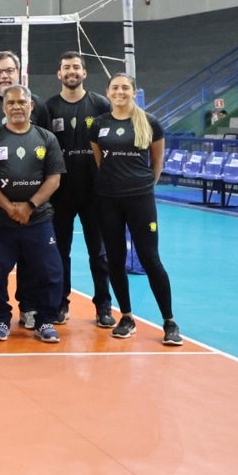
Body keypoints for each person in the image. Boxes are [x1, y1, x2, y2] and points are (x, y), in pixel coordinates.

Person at [90, 74, 182, 346]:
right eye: (115, 87)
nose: (120, 92)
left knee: (150, 258)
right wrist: (114, 185)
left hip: (140, 199)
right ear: (108, 92)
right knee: (115, 259)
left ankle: (170, 322)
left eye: (125, 87)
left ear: (133, 91)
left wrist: (140, 188)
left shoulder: (150, 122)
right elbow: (99, 161)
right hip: (107, 200)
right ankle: (126, 316)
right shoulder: (99, 125)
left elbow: (157, 163)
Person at [0, 85, 65, 344]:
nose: (16, 107)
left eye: (21, 102)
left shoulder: (46, 138)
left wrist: (29, 206)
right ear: (3, 107)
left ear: (31, 106)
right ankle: (0, 316)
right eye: (11, 103)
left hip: (38, 218)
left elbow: (54, 178)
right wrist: (9, 207)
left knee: (50, 270)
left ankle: (45, 319)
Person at [0, 50, 51, 329]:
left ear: (19, 72)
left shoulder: (37, 103)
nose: (4, 75)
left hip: (32, 204)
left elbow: (47, 150)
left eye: (9, 70)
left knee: (30, 258)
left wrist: (32, 203)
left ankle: (29, 307)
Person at [44, 52, 114, 328]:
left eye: (76, 67)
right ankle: (61, 303)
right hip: (60, 193)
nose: (71, 71)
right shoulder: (48, 108)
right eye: (66, 68)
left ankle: (104, 306)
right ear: (58, 74)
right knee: (61, 251)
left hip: (95, 192)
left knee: (98, 252)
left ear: (84, 73)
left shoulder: (100, 104)